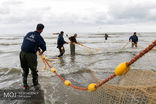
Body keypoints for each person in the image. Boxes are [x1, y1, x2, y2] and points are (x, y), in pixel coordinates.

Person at [20, 24, 46, 90]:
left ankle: (25, 84)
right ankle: (36, 84)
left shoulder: (29, 33)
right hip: (30, 55)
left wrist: (37, 48)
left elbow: (29, 43)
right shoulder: (39, 37)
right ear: (42, 30)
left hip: (22, 53)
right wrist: (41, 51)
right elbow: (44, 47)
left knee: (25, 70)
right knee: (34, 70)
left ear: (36, 28)